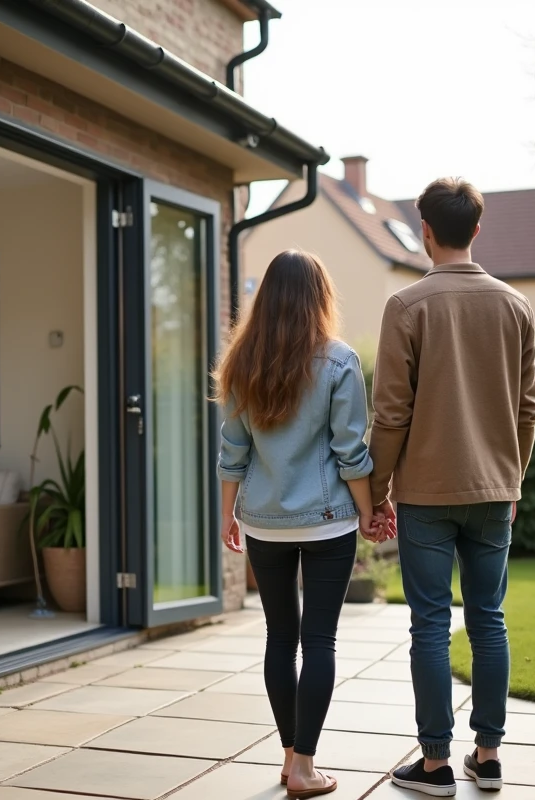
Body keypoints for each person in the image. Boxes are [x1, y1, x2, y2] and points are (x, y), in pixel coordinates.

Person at [370, 178, 535, 796]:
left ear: (425, 231)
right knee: (489, 620)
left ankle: (436, 765)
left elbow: (390, 413)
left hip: (427, 495)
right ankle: (487, 757)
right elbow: (528, 409)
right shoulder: (516, 306)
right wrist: (511, 480)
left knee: (430, 625)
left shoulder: (406, 306)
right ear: (476, 229)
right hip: (495, 491)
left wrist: (376, 491)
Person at [216, 249, 387, 800]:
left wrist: (228, 513)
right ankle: (305, 768)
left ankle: (290, 757)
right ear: (320, 298)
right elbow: (350, 452)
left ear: (266, 298)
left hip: (264, 523)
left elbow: (232, 451)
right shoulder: (339, 361)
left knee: (279, 637)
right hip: (327, 523)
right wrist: (368, 510)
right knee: (318, 640)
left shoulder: (241, 363)